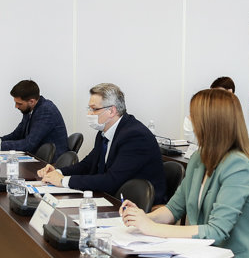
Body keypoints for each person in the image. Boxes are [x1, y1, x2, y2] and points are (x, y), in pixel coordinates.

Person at [119, 88, 249, 258]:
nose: (189, 120)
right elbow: (174, 209)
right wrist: (142, 219)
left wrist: (151, 228)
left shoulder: (238, 166)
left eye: (193, 116)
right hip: (202, 255)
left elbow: (216, 231)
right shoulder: (199, 158)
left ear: (211, 123)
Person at [38, 83, 167, 204]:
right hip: (111, 195)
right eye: (89, 108)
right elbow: (88, 164)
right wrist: (58, 172)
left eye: (94, 109)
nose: (89, 113)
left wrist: (63, 181)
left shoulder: (135, 136)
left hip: (136, 204)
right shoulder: (104, 131)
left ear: (111, 111)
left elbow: (111, 180)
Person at [0, 80, 67, 158]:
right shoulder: (29, 109)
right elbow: (17, 134)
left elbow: (29, 144)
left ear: (31, 101)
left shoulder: (46, 110)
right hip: (36, 157)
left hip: (52, 163)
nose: (16, 106)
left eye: (19, 103)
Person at [183, 76, 235, 144]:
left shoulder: (233, 115)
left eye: (219, 94)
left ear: (230, 93)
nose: (214, 98)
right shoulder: (205, 112)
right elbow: (191, 141)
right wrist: (191, 122)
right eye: (213, 94)